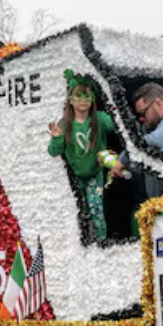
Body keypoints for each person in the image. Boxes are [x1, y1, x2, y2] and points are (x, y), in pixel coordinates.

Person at [48, 72, 118, 240]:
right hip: (75, 176)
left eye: (87, 96)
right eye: (78, 96)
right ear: (70, 101)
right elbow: (53, 151)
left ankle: (101, 242)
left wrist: (112, 108)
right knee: (81, 212)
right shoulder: (64, 124)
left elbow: (115, 126)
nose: (83, 100)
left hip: (95, 173)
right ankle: (85, 243)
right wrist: (57, 138)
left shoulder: (100, 119)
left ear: (93, 99)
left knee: (96, 209)